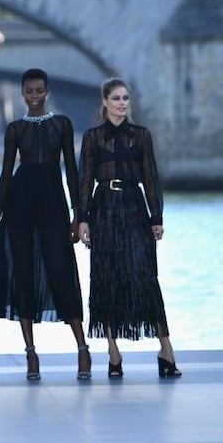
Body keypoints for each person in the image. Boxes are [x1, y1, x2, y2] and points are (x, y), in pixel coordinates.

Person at [0, 68, 91, 381]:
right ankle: (31, 354)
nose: (34, 97)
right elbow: (5, 174)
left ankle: (82, 349)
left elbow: (72, 170)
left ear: (47, 91)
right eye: (28, 92)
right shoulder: (15, 129)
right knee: (23, 273)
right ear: (22, 93)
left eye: (39, 91)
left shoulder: (62, 125)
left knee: (60, 269)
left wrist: (77, 214)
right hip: (20, 205)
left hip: (54, 204)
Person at [77, 78, 181, 379]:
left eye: (126, 98)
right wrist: (83, 218)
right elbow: (85, 180)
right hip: (104, 209)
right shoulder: (93, 137)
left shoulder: (141, 135)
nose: (122, 103)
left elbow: (151, 176)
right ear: (105, 101)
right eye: (117, 98)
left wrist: (156, 216)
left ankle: (166, 350)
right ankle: (113, 352)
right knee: (106, 277)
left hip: (135, 208)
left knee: (145, 276)